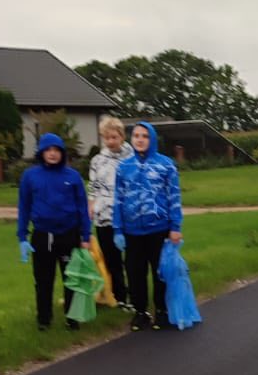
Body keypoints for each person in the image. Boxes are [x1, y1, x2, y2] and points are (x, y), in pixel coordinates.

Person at [16, 132, 92, 330]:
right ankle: (44, 319)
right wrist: (22, 236)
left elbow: (82, 207)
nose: (52, 153)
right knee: (43, 280)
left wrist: (86, 236)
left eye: (56, 150)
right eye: (48, 150)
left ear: (62, 153)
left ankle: (72, 317)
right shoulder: (30, 176)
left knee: (71, 278)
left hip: (69, 234)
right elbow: (24, 206)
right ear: (41, 152)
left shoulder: (72, 176)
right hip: (42, 235)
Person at [112, 121, 183, 331]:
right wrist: (118, 229)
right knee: (135, 273)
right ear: (131, 139)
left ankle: (162, 311)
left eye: (145, 136)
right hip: (132, 230)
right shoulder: (124, 167)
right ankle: (140, 312)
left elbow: (174, 197)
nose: (140, 140)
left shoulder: (166, 165)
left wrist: (175, 226)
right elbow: (118, 199)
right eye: (136, 136)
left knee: (160, 272)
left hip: (159, 229)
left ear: (152, 139)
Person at [87, 115, 131, 310]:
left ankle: (133, 294)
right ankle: (117, 295)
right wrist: (91, 205)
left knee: (130, 258)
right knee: (111, 258)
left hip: (127, 216)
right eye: (106, 138)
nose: (110, 141)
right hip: (104, 218)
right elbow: (93, 185)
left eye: (114, 137)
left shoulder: (131, 159)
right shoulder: (97, 160)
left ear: (122, 136)